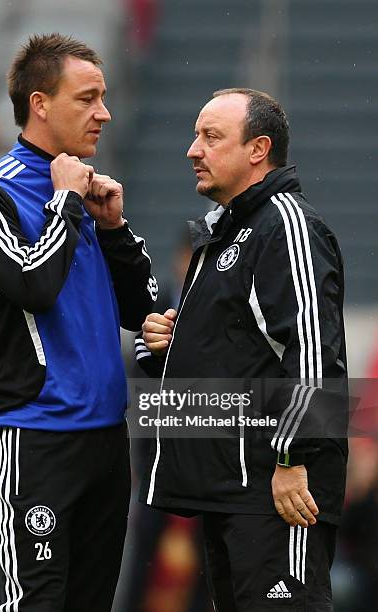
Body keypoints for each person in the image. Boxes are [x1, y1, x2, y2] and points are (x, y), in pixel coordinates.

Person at [0, 33, 157, 612]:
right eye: (87, 98)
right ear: (40, 104)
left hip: (106, 440)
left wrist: (113, 230)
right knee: (35, 603)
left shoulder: (85, 192)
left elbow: (143, 311)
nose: (104, 113)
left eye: (105, 97)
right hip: (34, 433)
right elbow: (33, 288)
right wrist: (64, 202)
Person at [137, 88, 348, 611]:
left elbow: (315, 356)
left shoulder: (285, 224)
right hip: (232, 490)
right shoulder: (228, 233)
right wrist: (168, 347)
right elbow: (239, 351)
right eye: (194, 135)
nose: (193, 149)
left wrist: (292, 458)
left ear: (258, 149)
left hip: (280, 494)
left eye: (210, 137)